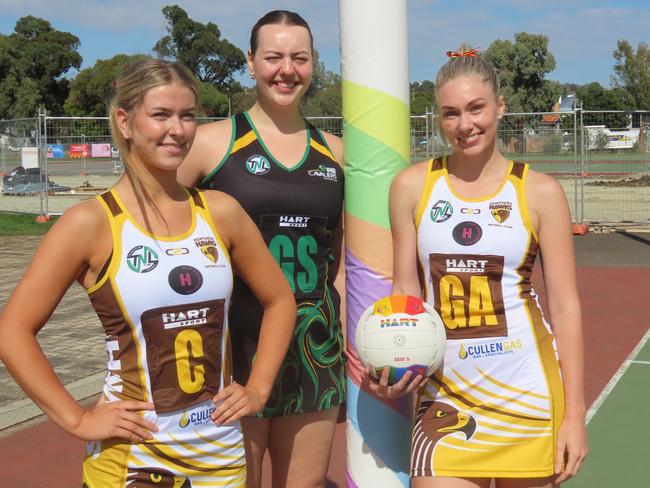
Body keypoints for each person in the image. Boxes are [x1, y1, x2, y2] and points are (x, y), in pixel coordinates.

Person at [0, 57, 296, 487]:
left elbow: (280, 299)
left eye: (188, 116)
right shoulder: (91, 223)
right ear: (125, 121)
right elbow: (13, 331)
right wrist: (78, 419)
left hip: (221, 454)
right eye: (161, 115)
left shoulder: (221, 212)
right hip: (134, 459)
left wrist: (258, 388)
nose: (177, 130)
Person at [366, 50, 588, 487]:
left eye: (476, 108)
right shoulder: (411, 187)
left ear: (500, 106)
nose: (464, 125)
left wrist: (575, 414)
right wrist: (389, 361)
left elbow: (564, 306)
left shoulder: (540, 192)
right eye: (450, 113)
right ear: (437, 117)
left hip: (527, 395)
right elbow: (405, 289)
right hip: (445, 398)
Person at [177, 10, 345, 488]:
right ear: (250, 63)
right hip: (233, 355)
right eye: (273, 57)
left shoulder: (336, 153)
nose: (286, 69)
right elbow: (147, 221)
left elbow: (339, 268)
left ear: (314, 64)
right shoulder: (211, 144)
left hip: (314, 353)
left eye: (299, 57)